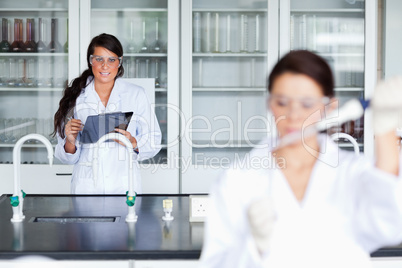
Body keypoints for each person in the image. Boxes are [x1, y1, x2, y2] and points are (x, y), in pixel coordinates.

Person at [200, 50, 402, 267]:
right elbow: (214, 263)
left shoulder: (351, 172)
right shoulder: (238, 179)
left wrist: (386, 129)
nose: (293, 115)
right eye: (282, 102)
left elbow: (391, 226)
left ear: (330, 107)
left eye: (307, 104)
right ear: (269, 104)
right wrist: (254, 248)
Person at [53, 33, 161, 194]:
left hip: (124, 183)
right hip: (87, 185)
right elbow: (67, 157)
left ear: (119, 62)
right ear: (91, 61)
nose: (105, 66)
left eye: (111, 60)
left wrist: (133, 142)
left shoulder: (136, 94)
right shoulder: (76, 96)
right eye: (99, 59)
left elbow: (154, 140)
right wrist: (70, 140)